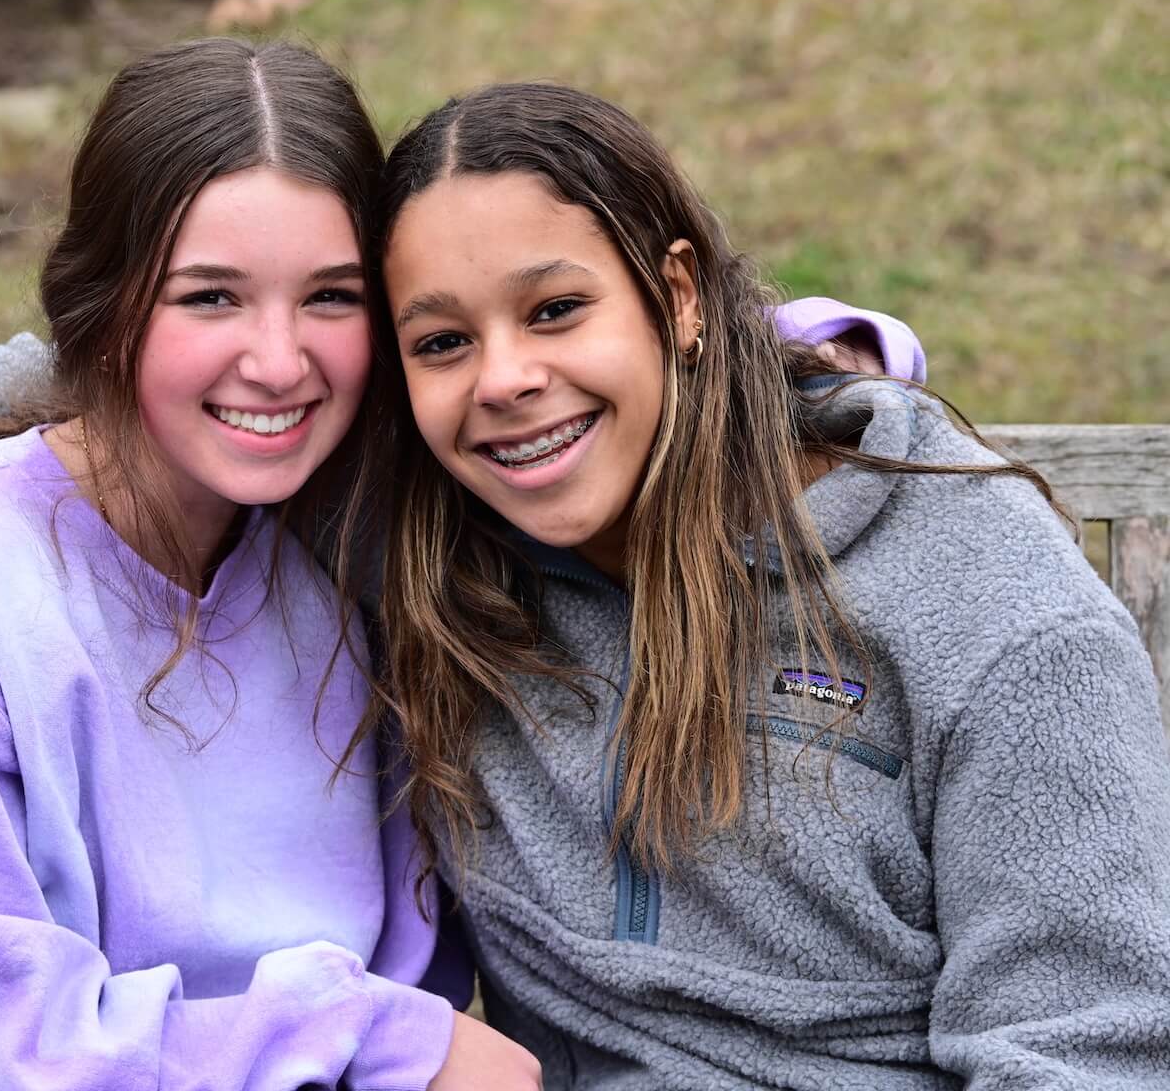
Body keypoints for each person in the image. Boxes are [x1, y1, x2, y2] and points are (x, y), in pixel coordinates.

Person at [0, 38, 542, 1091]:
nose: (281, 362)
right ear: (109, 309)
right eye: (210, 298)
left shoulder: (334, 540)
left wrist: (808, 353)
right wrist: (373, 1039)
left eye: (331, 297)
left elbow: (629, 337)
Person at [362, 83, 1170, 1086]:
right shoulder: (427, 567)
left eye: (557, 310)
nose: (503, 378)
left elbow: (1090, 1050)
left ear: (681, 297)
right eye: (442, 341)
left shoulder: (991, 608)